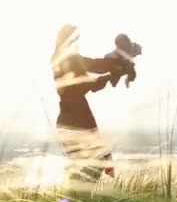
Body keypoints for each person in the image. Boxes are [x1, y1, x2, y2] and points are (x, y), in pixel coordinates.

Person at [51, 25, 134, 182]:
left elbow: (93, 73)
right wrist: (117, 65)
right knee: (97, 164)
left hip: (70, 119)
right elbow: (92, 75)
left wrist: (115, 68)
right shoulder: (68, 60)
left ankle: (86, 199)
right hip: (78, 119)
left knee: (88, 167)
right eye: (74, 39)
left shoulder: (62, 59)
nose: (76, 43)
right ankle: (97, 197)